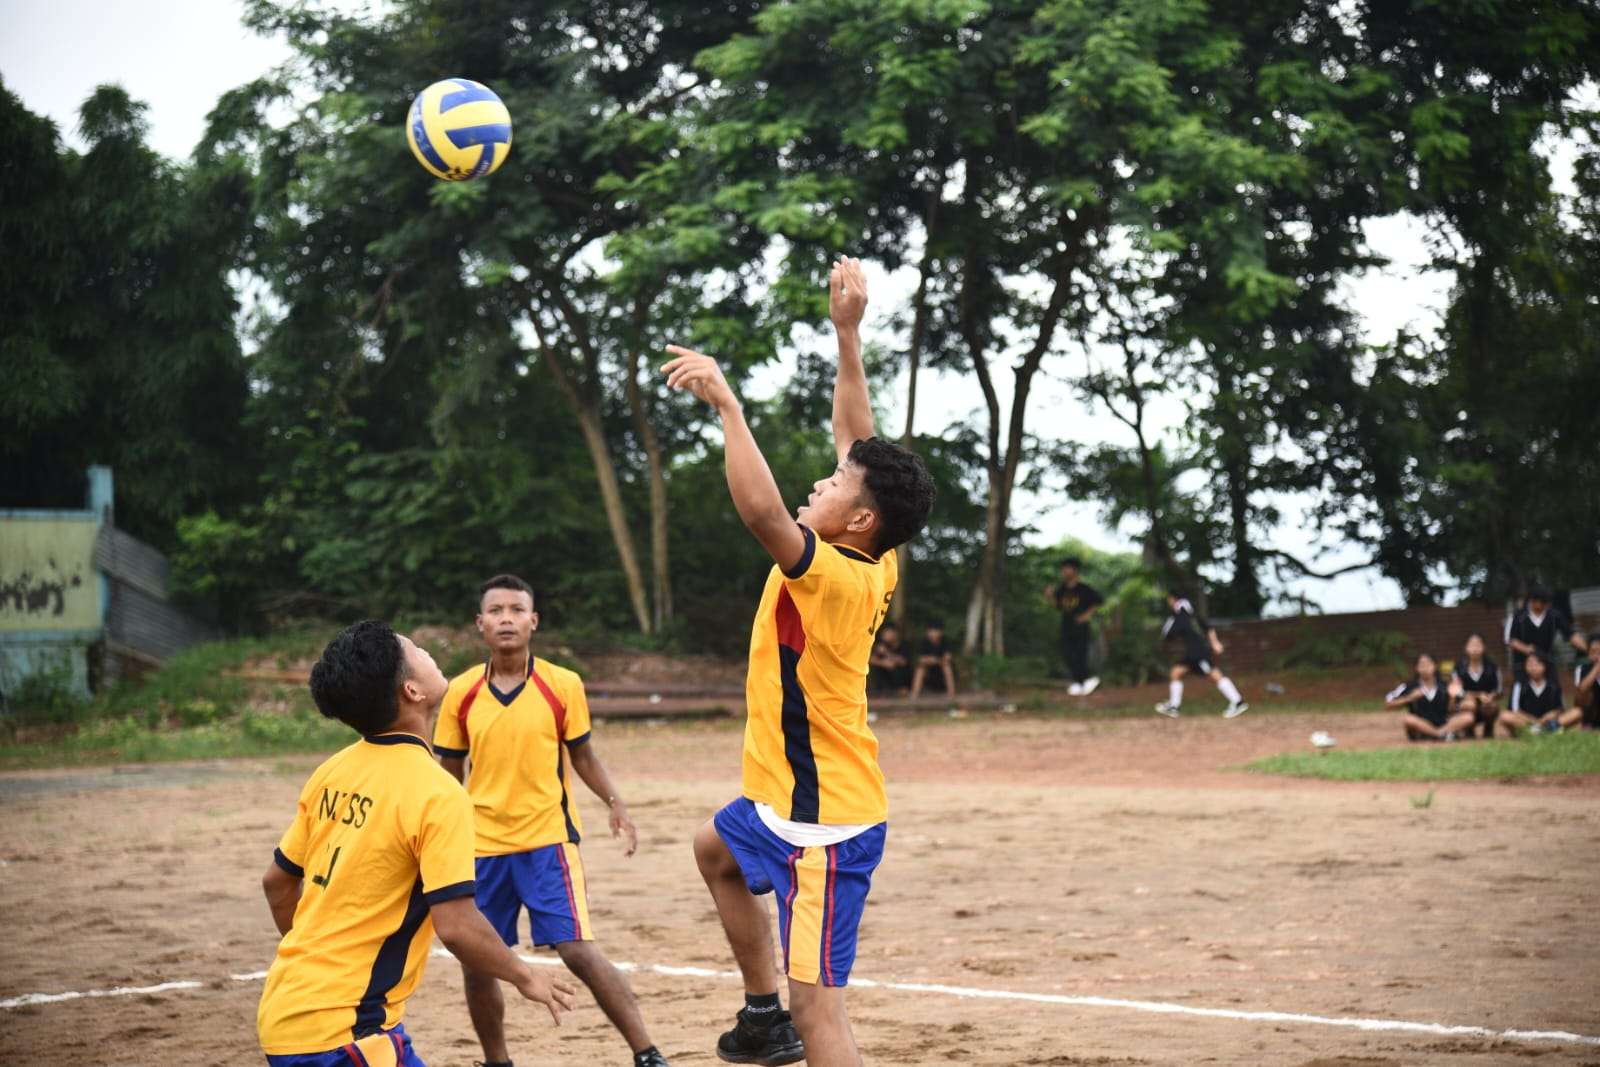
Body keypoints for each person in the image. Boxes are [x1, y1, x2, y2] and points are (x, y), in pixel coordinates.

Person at [663, 255, 936, 1067]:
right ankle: (759, 1014)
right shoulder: (875, 552)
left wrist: (729, 406)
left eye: (833, 483)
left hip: (822, 824)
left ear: (855, 519)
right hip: (785, 800)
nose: (823, 479)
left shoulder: (830, 571)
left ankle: (786, 1018)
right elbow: (858, 437)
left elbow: (759, 509)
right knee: (715, 846)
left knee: (823, 1014)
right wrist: (847, 336)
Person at [257, 621, 576, 1066]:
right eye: (418, 650)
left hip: (289, 1009)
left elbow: (277, 883)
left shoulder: (332, 771)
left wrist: (323, 963)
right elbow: (457, 925)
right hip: (344, 1031)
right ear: (412, 690)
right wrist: (524, 976)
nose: (429, 651)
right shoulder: (437, 792)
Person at [432, 574, 669, 1067]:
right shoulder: (459, 693)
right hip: (481, 848)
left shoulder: (563, 684)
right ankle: (497, 1061)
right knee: (478, 965)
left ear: (533, 621)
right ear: (480, 625)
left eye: (516, 610)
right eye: (495, 610)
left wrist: (614, 801)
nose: (506, 618)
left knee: (577, 950)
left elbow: (583, 756)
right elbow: (447, 775)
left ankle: (647, 1053)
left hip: (548, 842)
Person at [1153, 591, 1248, 718]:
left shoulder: (1179, 616)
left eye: (1169, 600)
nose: (1169, 603)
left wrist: (1215, 643)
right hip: (1192, 653)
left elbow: (1167, 634)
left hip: (1198, 654)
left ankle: (1238, 701)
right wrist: (1215, 643)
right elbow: (1208, 628)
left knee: (1214, 675)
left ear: (1173, 600)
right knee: (1175, 673)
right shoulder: (1192, 614)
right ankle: (1174, 707)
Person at [1044, 557, 1104, 695]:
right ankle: (1080, 682)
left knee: (1080, 654)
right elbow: (1058, 606)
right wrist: (1050, 596)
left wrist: (1086, 615)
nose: (1064, 571)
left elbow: (1098, 601)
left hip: (1081, 627)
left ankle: (1082, 682)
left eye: (1067, 568)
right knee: (1067, 653)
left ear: (1075, 570)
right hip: (1066, 626)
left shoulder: (1084, 589)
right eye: (1063, 569)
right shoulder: (1062, 589)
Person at [1387, 652, 1474, 742]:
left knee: (1468, 717)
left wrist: (1452, 697)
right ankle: (1440, 735)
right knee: (1408, 719)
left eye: (1428, 664)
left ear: (1435, 666)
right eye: (1422, 665)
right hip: (1419, 727)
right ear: (1416, 668)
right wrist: (1409, 698)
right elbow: (1388, 703)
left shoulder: (1445, 685)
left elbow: (1452, 710)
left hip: (1442, 724)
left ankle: (1438, 733)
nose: (1425, 668)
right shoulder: (1409, 686)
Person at [1505, 586, 1586, 681]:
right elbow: (1511, 640)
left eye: (1547, 603)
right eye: (1543, 602)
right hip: (1523, 664)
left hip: (1547, 661)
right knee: (1524, 692)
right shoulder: (1518, 617)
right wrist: (1527, 649)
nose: (1546, 606)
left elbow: (1571, 635)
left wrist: (1588, 649)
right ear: (1533, 601)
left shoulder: (1555, 616)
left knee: (1552, 690)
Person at [1447, 632, 1502, 739]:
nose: (1475, 649)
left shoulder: (1492, 667)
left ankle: (1488, 729)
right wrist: (1477, 696)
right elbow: (1457, 692)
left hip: (1486, 702)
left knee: (1491, 706)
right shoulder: (1459, 668)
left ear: (1484, 647)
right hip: (1467, 703)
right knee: (1469, 704)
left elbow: (1499, 690)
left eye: (1478, 645)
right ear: (1466, 648)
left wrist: (1490, 697)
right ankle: (1469, 730)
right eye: (1472, 645)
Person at [1498, 650, 1565, 736]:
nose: (1533, 668)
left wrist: (1546, 718)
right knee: (1504, 715)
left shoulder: (1553, 685)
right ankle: (1537, 731)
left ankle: (1546, 729)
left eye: (1537, 664)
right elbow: (1515, 710)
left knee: (1572, 715)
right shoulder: (1519, 685)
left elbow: (1559, 709)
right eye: (1530, 664)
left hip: (1548, 721)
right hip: (1526, 722)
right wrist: (1533, 721)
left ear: (1544, 666)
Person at [1557, 634, 1600, 731]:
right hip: (1587, 713)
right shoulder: (1582, 669)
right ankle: (1551, 727)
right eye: (1594, 652)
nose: (1597, 656)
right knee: (1577, 712)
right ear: (1588, 654)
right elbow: (1581, 691)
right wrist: (1597, 669)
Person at [909, 620, 957, 701]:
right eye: (931, 631)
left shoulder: (945, 641)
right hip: (929, 671)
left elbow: (948, 657)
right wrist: (930, 660)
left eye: (935, 631)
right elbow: (920, 659)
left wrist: (937, 660)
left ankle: (952, 695)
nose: (933, 633)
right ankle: (914, 694)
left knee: (947, 667)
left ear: (940, 632)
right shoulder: (923, 642)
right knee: (920, 669)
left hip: (941, 669)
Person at [867, 622, 912, 694]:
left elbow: (903, 662)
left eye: (887, 633)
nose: (885, 635)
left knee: (896, 667)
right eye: (884, 633)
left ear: (895, 633)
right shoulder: (881, 645)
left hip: (902, 676)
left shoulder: (903, 644)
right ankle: (879, 690)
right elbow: (870, 659)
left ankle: (902, 689)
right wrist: (882, 663)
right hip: (885, 676)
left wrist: (887, 654)